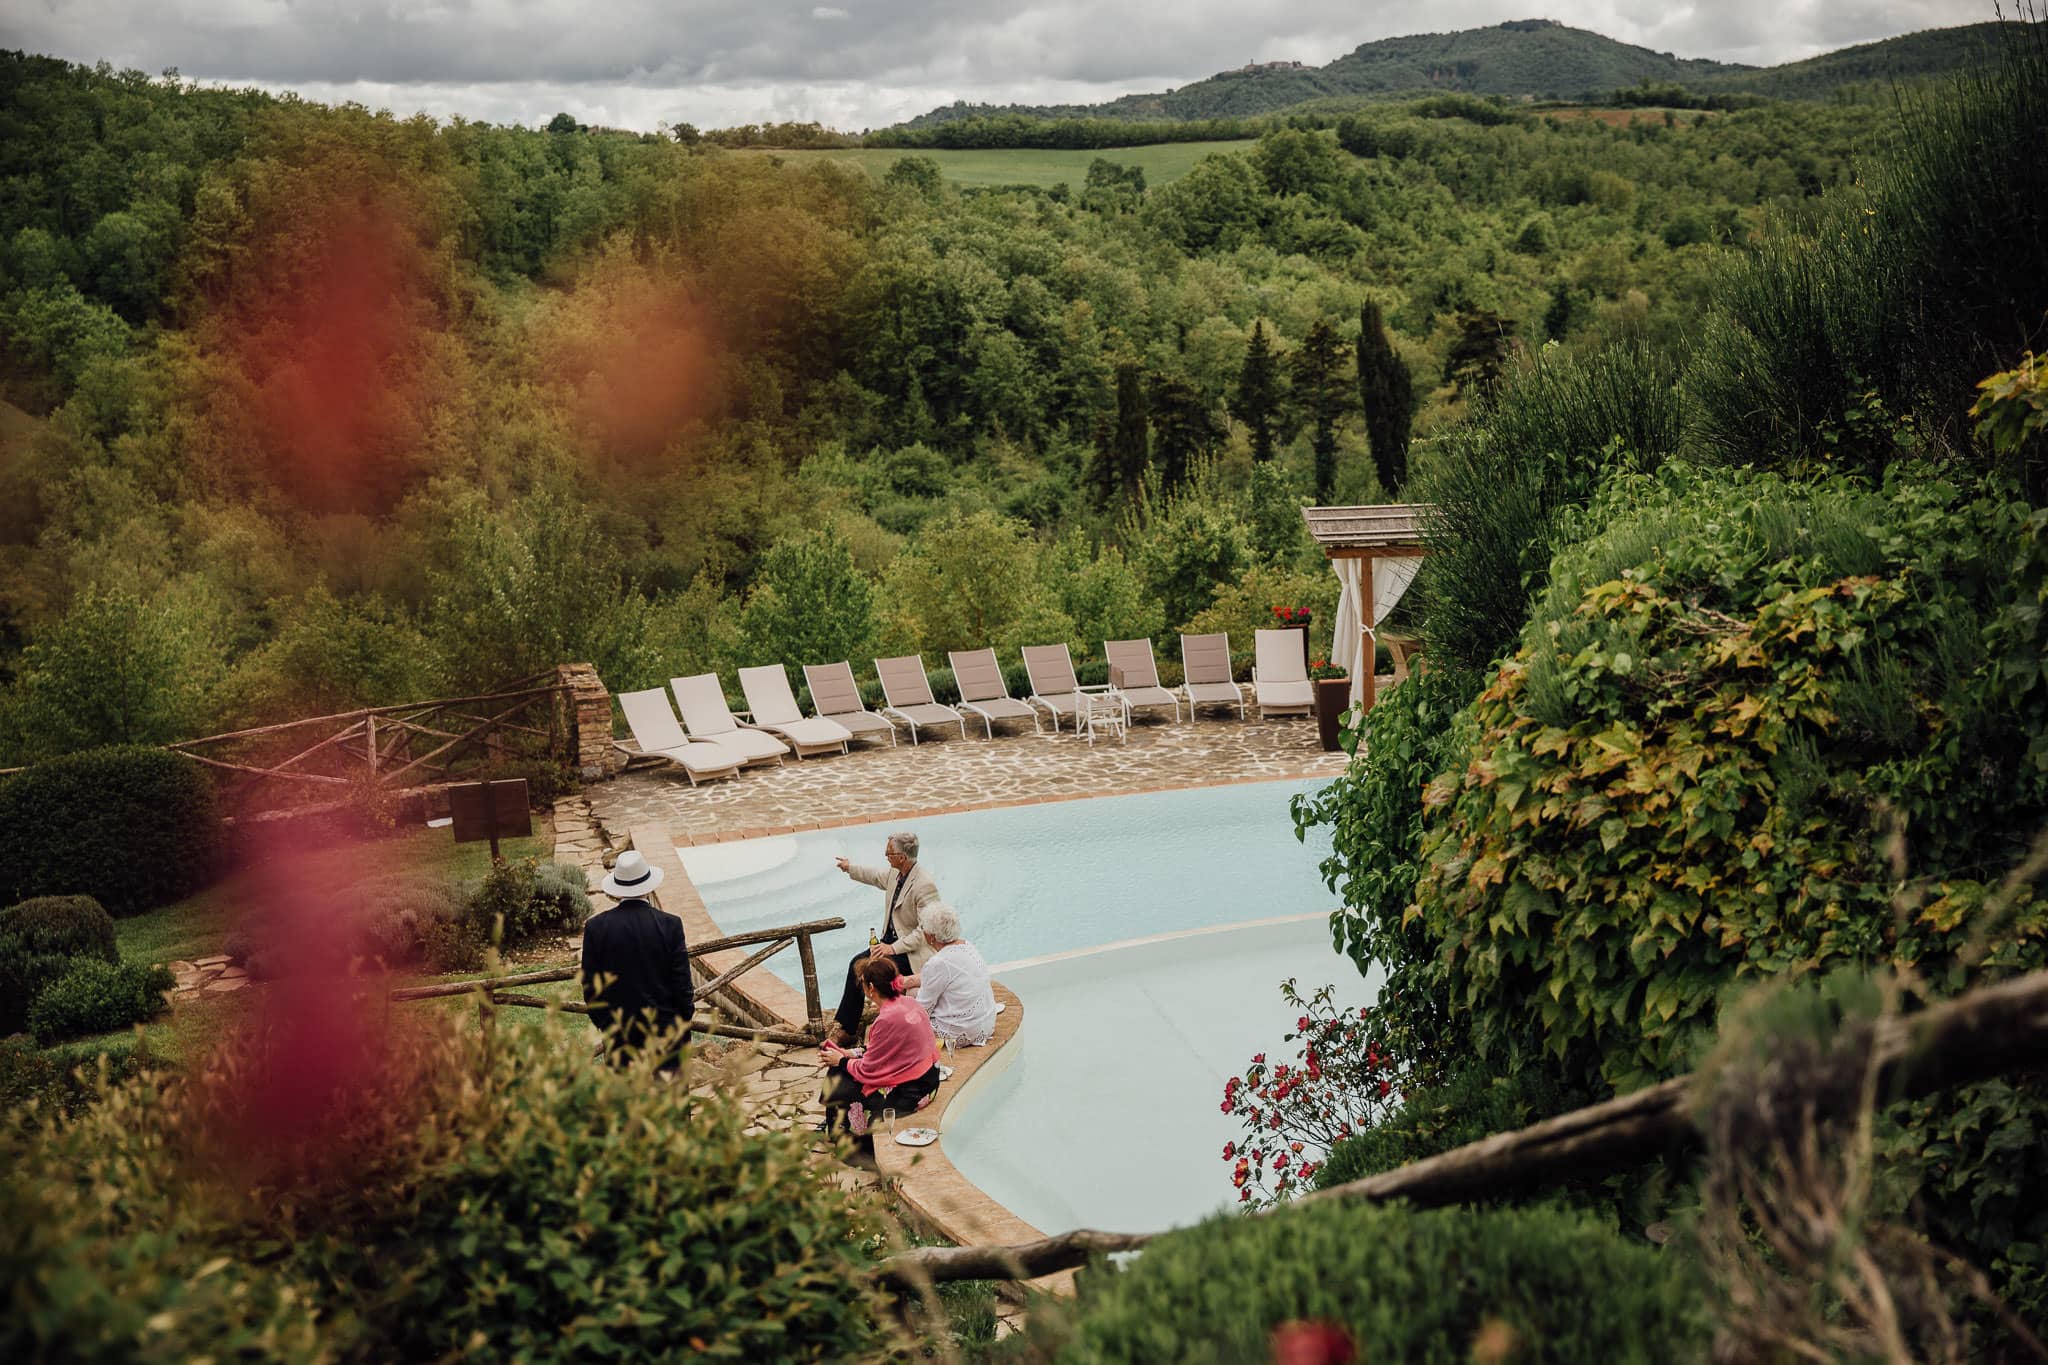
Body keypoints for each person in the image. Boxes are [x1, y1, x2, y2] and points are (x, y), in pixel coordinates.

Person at [580, 850, 694, 1072]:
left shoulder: (596, 928)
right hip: (667, 1029)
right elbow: (682, 984)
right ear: (649, 886)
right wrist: (681, 1020)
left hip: (620, 1033)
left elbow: (590, 987)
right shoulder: (670, 925)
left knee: (630, 1103)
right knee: (672, 1102)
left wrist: (606, 1024)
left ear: (617, 888)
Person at [828, 831, 939, 1045]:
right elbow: (874, 876)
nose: (886, 856)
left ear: (902, 857)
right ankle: (847, 1028)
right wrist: (849, 867)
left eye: (889, 853)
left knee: (870, 969)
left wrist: (892, 949)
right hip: (888, 945)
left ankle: (881, 1024)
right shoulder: (895, 874)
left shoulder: (924, 885)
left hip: (910, 952)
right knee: (856, 964)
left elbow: (925, 931)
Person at [819, 955, 941, 1137]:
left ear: (871, 988)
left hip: (911, 1094)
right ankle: (833, 1125)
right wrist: (849, 1053)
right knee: (842, 1067)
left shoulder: (886, 1019)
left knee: (840, 1078)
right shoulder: (909, 1003)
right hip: (928, 1081)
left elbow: (869, 1069)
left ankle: (846, 1137)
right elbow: (883, 1051)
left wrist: (842, 1061)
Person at [898, 902, 997, 1046]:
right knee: (913, 990)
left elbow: (922, 1010)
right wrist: (910, 980)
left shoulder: (938, 962)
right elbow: (946, 976)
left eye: (923, 928)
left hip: (962, 1032)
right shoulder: (967, 945)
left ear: (931, 936)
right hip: (986, 1023)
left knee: (910, 1001)